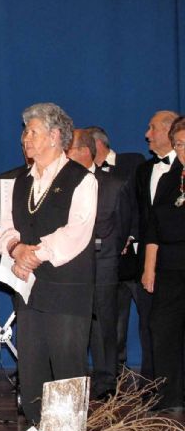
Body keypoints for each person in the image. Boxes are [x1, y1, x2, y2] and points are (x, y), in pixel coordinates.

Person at [0, 103, 98, 423]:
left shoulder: (82, 179)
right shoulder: (20, 181)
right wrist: (15, 249)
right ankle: (38, 427)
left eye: (32, 131)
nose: (25, 137)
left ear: (54, 136)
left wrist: (32, 254)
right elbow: (5, 229)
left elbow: (76, 232)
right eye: (25, 131)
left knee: (66, 368)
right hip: (29, 291)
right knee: (32, 367)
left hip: (67, 291)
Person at [66, 129, 131, 400]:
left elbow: (120, 228)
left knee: (104, 325)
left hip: (102, 265)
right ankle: (72, 381)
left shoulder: (114, 185)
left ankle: (106, 382)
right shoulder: (61, 185)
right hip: (66, 267)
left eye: (69, 149)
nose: (64, 154)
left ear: (84, 151)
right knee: (71, 326)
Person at [84, 125, 146, 375]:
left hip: (134, 255)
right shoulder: (82, 175)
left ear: (96, 144)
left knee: (148, 316)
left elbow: (142, 204)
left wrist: (130, 236)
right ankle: (115, 370)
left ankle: (154, 373)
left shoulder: (133, 163)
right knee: (111, 319)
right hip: (106, 259)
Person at [141, 115, 185, 411]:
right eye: (178, 144)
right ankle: (170, 396)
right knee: (162, 327)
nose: (181, 150)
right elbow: (153, 227)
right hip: (169, 265)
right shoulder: (169, 179)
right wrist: (148, 268)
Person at [134, 110, 180, 381]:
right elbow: (146, 219)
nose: (147, 135)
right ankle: (155, 385)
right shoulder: (147, 171)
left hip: (177, 260)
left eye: (152, 128)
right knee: (153, 324)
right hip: (154, 262)